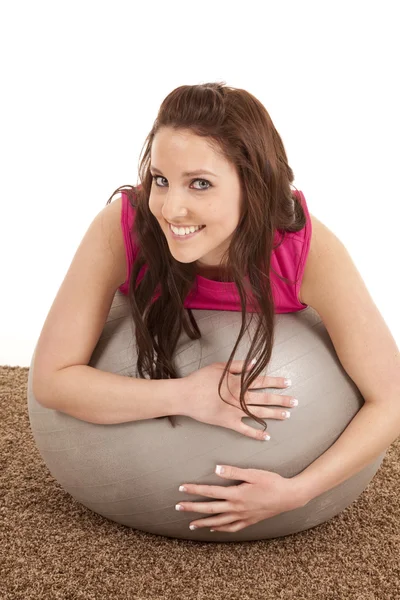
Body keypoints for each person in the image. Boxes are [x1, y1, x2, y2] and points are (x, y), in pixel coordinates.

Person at [32, 82, 309, 439]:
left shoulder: (298, 248)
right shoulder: (125, 228)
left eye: (200, 184)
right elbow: (52, 381)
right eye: (161, 179)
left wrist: (295, 492)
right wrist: (188, 396)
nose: (169, 209)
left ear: (253, 185)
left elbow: (388, 395)